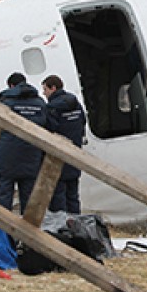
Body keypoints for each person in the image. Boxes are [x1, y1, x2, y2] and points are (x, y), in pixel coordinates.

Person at [0, 72, 49, 213]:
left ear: (11, 86)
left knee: (3, 197)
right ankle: (27, 232)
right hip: (31, 155)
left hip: (7, 155)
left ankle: (1, 230)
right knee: (30, 199)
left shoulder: (5, 102)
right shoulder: (40, 103)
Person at [41, 75, 86, 217]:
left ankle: (62, 228)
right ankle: (76, 225)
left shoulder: (52, 108)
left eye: (45, 89)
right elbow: (82, 122)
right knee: (73, 195)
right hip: (75, 154)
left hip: (58, 158)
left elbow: (50, 129)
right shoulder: (75, 103)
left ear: (53, 88)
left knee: (58, 197)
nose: (44, 93)